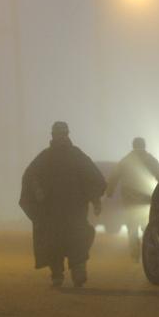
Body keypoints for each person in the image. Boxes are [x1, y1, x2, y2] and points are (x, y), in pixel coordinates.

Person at [19, 122, 106, 288]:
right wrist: (37, 191)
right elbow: (30, 176)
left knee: (78, 239)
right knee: (53, 242)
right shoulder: (45, 158)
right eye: (58, 134)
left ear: (67, 135)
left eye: (63, 134)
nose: (61, 137)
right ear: (53, 136)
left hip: (75, 210)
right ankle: (57, 274)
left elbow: (92, 177)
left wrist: (95, 200)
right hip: (52, 212)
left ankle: (78, 270)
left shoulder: (76, 156)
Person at [106, 137, 159, 261]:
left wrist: (109, 192)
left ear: (133, 145)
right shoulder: (150, 160)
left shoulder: (125, 160)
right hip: (146, 200)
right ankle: (148, 252)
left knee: (132, 227)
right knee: (147, 226)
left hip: (129, 200)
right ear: (144, 145)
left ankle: (135, 254)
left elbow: (114, 177)